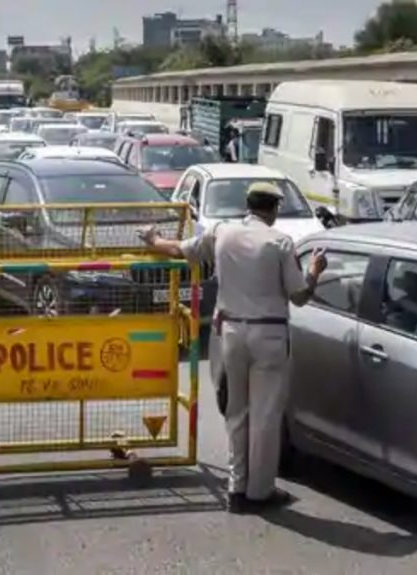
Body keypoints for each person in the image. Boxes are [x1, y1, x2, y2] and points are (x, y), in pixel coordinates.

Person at [140, 182, 328, 514]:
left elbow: (178, 250)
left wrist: (152, 239)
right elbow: (299, 296)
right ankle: (260, 492)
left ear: (248, 205)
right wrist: (314, 272)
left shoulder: (222, 232)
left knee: (236, 412)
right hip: (269, 335)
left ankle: (236, 488)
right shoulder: (279, 242)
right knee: (265, 416)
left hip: (230, 334)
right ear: (273, 209)